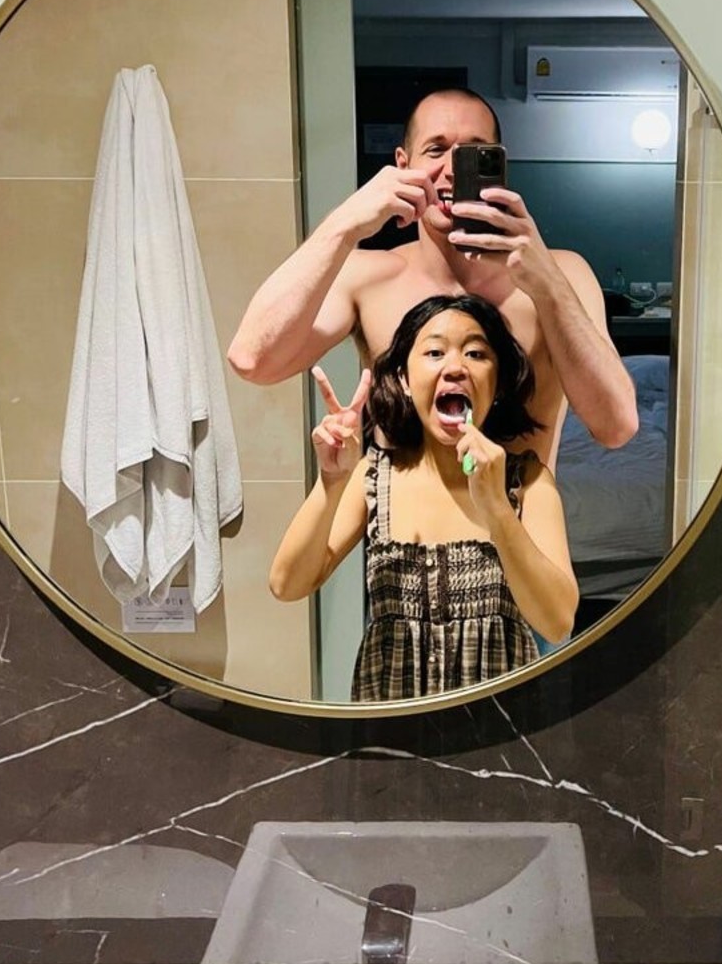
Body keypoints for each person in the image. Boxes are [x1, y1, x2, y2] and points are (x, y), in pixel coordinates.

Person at [228, 88, 638, 468]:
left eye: (474, 152)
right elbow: (253, 361)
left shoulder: (563, 273)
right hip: (401, 523)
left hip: (522, 521)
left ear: (499, 165)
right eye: (436, 149)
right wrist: (344, 225)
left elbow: (616, 427)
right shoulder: (370, 278)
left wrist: (546, 283)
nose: (453, 170)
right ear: (403, 165)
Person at [269, 295, 579, 701]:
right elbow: (287, 584)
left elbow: (557, 622)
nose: (455, 367)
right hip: (392, 725)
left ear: (499, 381)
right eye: (435, 352)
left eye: (475, 353)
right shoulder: (374, 477)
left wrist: (498, 510)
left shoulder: (530, 482)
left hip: (499, 726)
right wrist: (331, 482)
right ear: (403, 378)